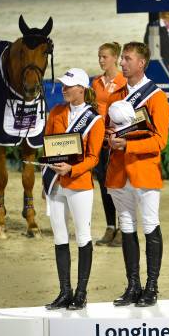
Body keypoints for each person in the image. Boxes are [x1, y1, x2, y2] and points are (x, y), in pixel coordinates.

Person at [105, 42, 169, 307]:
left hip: (144, 171)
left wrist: (128, 145)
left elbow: (160, 141)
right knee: (128, 228)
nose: (122, 63)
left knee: (150, 226)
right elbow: (108, 130)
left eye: (128, 59)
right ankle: (133, 285)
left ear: (142, 63)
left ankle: (152, 287)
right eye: (122, 59)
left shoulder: (156, 97)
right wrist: (110, 139)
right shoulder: (116, 95)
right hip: (119, 172)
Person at [43, 68, 104, 311]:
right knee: (59, 236)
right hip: (56, 183)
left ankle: (81, 293)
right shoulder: (56, 112)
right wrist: (49, 171)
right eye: (63, 85)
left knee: (82, 236)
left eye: (68, 86)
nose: (63, 89)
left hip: (79, 184)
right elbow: (48, 143)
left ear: (82, 89)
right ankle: (64, 292)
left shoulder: (95, 120)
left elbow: (93, 158)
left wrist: (72, 169)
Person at [91, 42, 127, 247]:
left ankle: (123, 227)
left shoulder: (124, 81)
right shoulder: (95, 83)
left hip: (117, 140)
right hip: (100, 141)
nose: (101, 60)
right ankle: (110, 226)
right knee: (104, 184)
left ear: (115, 58)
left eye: (104, 56)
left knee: (118, 185)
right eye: (99, 56)